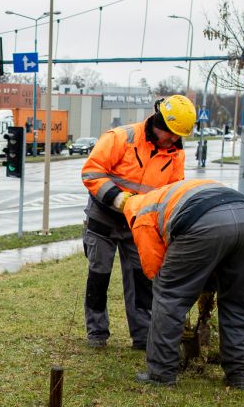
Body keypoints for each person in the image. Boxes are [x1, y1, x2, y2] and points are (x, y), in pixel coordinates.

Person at [120, 178, 244, 389]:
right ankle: (238, 375)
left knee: (169, 296)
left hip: (203, 222)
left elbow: (154, 269)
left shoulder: (140, 216)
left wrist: (188, 281)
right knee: (237, 300)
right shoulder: (167, 194)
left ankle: (161, 373)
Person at [80, 95, 195, 349]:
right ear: (159, 123)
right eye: (171, 134)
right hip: (104, 218)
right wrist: (117, 198)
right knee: (99, 276)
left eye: (178, 136)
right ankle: (97, 333)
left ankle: (142, 336)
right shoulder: (120, 138)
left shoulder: (175, 154)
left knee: (141, 280)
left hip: (139, 223)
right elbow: (91, 171)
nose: (174, 140)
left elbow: (173, 192)